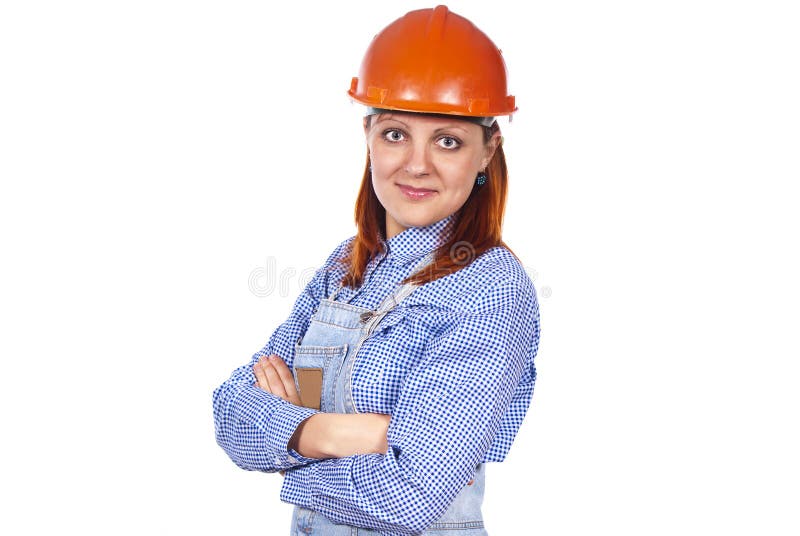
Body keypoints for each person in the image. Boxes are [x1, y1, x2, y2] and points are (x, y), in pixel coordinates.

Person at [213, 6, 540, 534]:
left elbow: (408, 498)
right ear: (367, 135)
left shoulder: (492, 291)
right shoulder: (346, 266)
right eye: (395, 134)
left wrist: (289, 440)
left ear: (487, 151)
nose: (416, 164)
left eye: (448, 141)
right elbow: (231, 411)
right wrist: (341, 434)